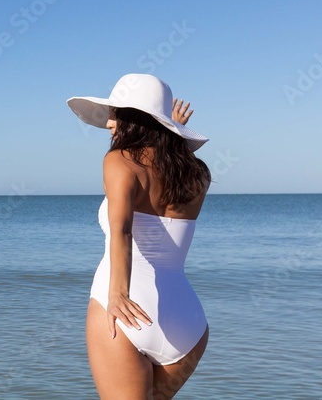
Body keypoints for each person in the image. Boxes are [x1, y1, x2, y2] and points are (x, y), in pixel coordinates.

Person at [67, 73, 212, 400]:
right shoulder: (197, 174)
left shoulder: (119, 162)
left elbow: (122, 228)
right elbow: (168, 168)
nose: (109, 124)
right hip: (188, 326)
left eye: (115, 114)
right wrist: (173, 131)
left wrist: (117, 293)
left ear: (134, 119)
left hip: (124, 313)